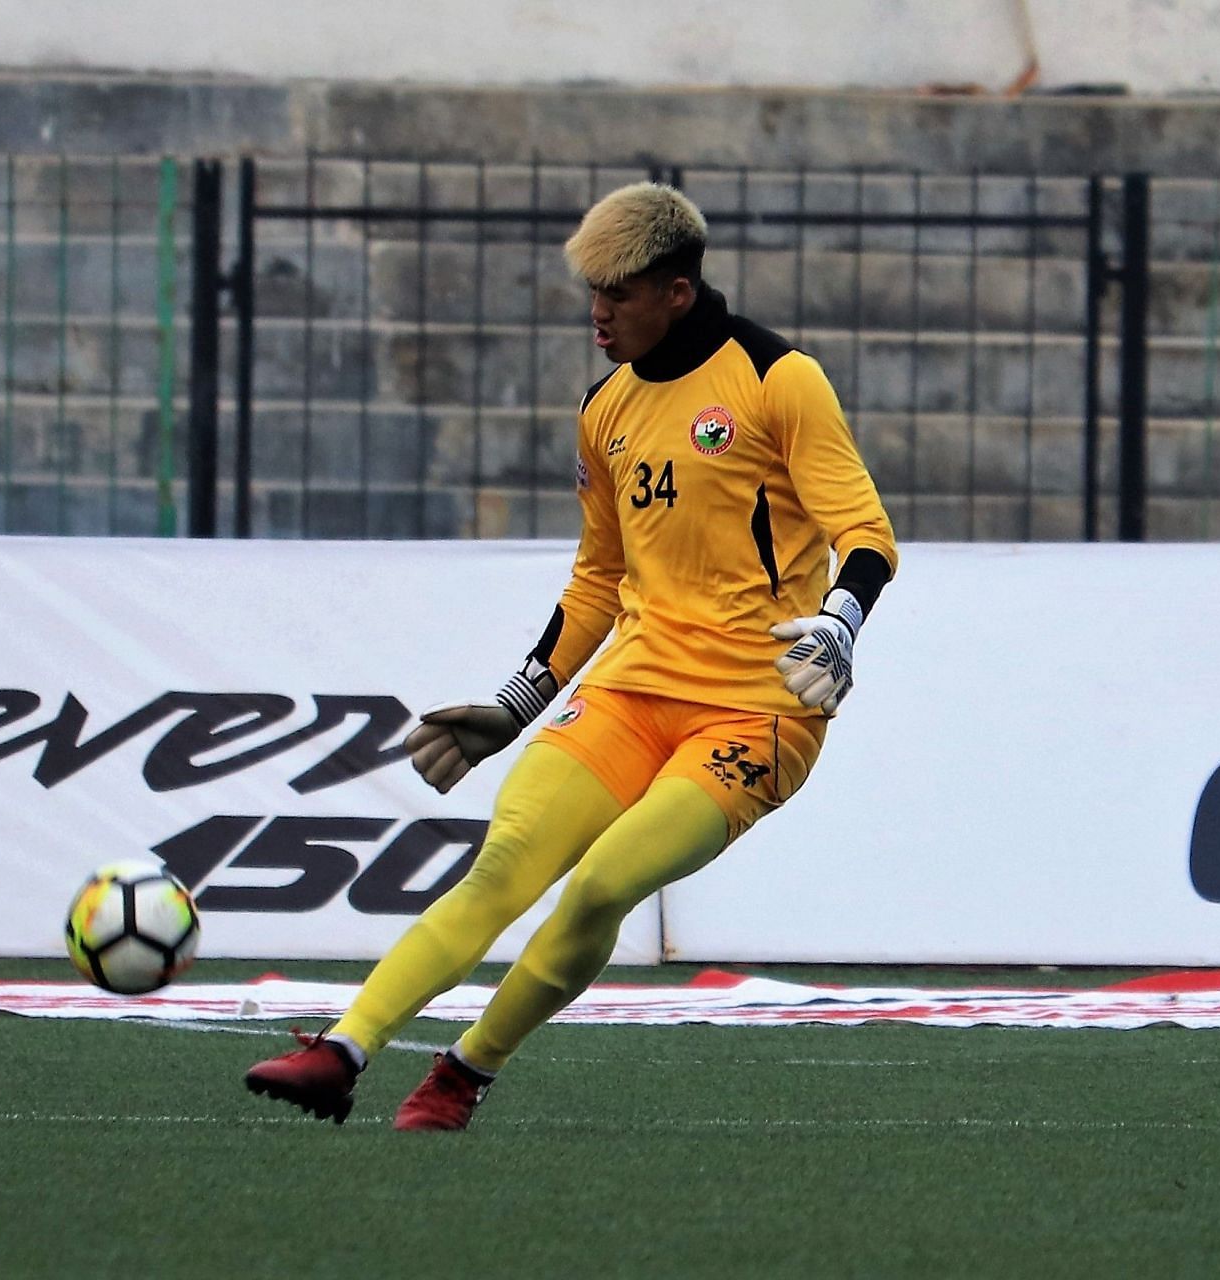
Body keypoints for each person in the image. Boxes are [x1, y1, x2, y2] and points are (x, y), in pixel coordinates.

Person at [244, 182, 898, 1130]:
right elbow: (597, 579)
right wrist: (514, 705)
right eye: (591, 291)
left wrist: (840, 622)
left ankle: (465, 1072)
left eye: (618, 293)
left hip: (759, 711)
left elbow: (866, 532)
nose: (597, 312)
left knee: (602, 881)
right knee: (504, 861)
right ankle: (341, 1053)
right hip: (631, 692)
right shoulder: (605, 408)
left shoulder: (777, 377)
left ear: (676, 290)